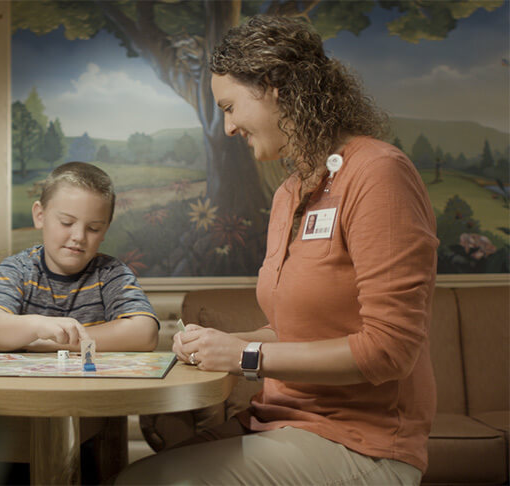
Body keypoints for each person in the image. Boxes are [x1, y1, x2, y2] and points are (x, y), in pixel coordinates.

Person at [117, 14, 437, 485]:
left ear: (273, 87)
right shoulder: (290, 192)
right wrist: (219, 345)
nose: (226, 128)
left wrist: (245, 355)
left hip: (363, 445)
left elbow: (389, 351)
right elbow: (298, 331)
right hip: (282, 422)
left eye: (229, 106)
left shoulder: (378, 173)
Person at [0, 161, 159, 352]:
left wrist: (51, 342)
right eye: (66, 222)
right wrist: (38, 326)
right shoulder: (17, 269)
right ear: (40, 216)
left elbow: (145, 334)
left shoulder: (111, 274)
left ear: (105, 230)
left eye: (93, 228)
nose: (79, 237)